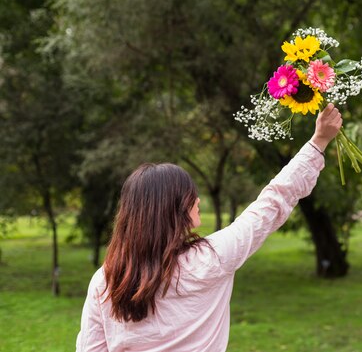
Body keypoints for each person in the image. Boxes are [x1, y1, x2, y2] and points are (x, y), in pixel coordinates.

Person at [76, 104, 342, 352]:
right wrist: (319, 141)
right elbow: (273, 202)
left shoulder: (105, 280)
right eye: (190, 196)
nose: (198, 200)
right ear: (173, 210)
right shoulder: (212, 259)